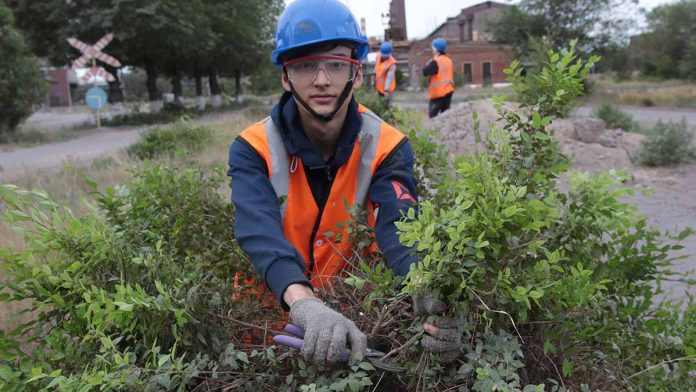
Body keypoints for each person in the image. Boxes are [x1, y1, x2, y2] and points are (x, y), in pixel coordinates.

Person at [227, 0, 462, 366]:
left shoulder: (388, 146)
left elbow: (399, 227)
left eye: (336, 64)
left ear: (355, 71)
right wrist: (304, 303)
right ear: (285, 76)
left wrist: (426, 290)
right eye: (305, 65)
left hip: (356, 331)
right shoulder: (252, 148)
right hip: (264, 333)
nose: (321, 80)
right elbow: (259, 233)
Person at [422, 37, 455, 118]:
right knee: (446, 116)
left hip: (438, 93)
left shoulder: (436, 61)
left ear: (436, 49)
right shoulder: (448, 60)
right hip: (448, 91)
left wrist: (428, 63)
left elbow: (425, 72)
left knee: (433, 118)